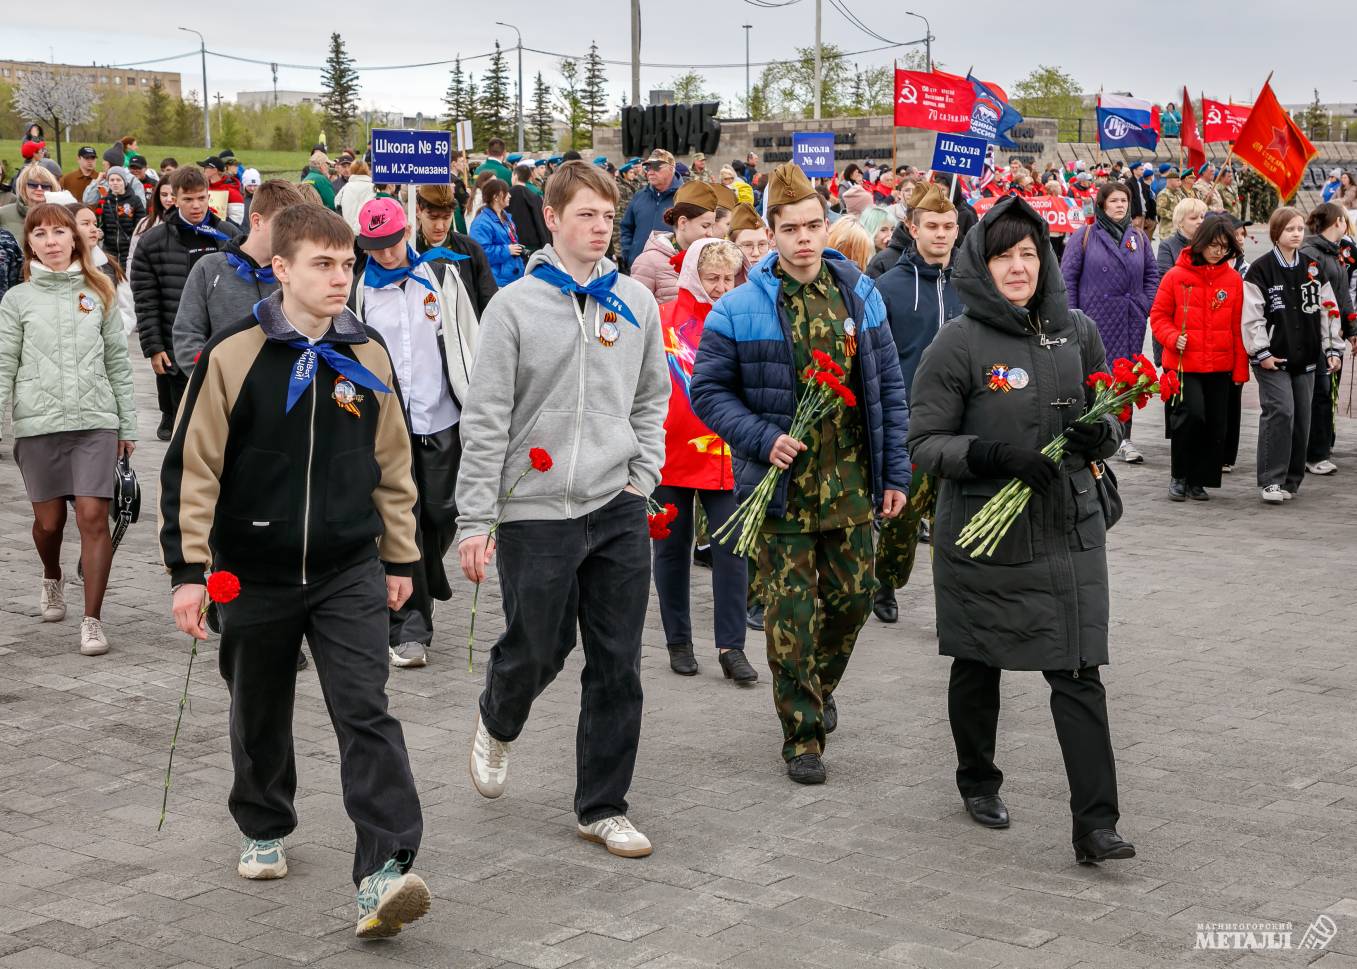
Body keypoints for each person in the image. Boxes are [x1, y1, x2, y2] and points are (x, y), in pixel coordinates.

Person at [160, 203, 430, 937]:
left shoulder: (367, 352)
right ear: (281, 268)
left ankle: (385, 868)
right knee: (258, 701)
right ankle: (264, 819)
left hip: (347, 565)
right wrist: (190, 568)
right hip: (252, 567)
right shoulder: (234, 351)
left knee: (365, 709)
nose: (340, 277)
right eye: (323, 263)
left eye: (348, 264)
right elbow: (194, 465)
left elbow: (394, 462)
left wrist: (399, 555)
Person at [907, 195, 1134, 864]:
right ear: (981, 261)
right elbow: (924, 441)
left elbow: (1108, 414)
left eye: (1027, 253)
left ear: (1045, 259)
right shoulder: (959, 341)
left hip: (1066, 530)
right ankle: (977, 777)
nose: (1015, 266)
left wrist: (1105, 432)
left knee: (1078, 668)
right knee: (978, 660)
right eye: (1002, 255)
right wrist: (989, 454)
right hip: (985, 534)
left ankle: (1095, 824)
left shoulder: (1078, 330)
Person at [457, 161, 667, 859]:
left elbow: (651, 395)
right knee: (539, 643)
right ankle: (498, 714)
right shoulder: (513, 306)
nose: (600, 227)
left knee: (618, 660)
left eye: (607, 215)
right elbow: (485, 419)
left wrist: (642, 473)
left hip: (616, 504)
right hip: (534, 509)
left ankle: (602, 804)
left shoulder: (635, 300)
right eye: (585, 214)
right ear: (550, 218)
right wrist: (475, 520)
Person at [691, 163, 910, 786]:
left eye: (814, 226)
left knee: (854, 598)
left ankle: (816, 686)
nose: (805, 240)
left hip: (851, 484)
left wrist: (895, 472)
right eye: (790, 229)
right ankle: (802, 736)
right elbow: (709, 391)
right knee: (789, 618)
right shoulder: (739, 307)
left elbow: (888, 389)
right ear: (771, 232)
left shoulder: (860, 294)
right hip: (779, 491)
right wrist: (763, 437)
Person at [349, 196, 484, 669]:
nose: (385, 254)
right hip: (386, 426)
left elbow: (469, 337)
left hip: (441, 416)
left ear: (407, 232)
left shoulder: (441, 277)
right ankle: (409, 624)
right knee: (399, 520)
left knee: (440, 515)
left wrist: (478, 399)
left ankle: (427, 577)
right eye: (374, 246)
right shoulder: (358, 289)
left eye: (391, 243)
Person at [0, 203, 137, 657]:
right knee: (48, 523)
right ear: (31, 244)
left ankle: (92, 619)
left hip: (94, 422)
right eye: (41, 234)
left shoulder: (99, 291)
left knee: (95, 517)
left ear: (75, 240)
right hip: (38, 425)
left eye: (60, 232)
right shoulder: (16, 300)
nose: (52, 241)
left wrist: (127, 424)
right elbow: (4, 364)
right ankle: (52, 575)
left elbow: (118, 361)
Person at [652, 237, 757, 684]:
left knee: (733, 550)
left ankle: (731, 646)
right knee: (671, 548)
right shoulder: (662, 318)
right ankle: (679, 640)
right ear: (693, 274)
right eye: (711, 277)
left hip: (726, 452)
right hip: (670, 450)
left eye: (727, 278)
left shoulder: (744, 319)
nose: (719, 286)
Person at [872, 183, 963, 624]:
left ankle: (952, 596)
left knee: (952, 519)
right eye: (932, 226)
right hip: (909, 423)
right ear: (913, 227)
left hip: (962, 422)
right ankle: (885, 580)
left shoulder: (973, 286)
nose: (941, 234)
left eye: (948, 226)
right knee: (902, 517)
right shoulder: (888, 286)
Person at [1243, 207, 1346, 504]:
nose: (1297, 234)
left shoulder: (1313, 267)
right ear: (1276, 232)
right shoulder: (1260, 269)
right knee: (1281, 412)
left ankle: (1291, 479)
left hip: (1308, 358)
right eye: (1290, 229)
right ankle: (1271, 480)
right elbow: (1252, 316)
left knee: (1302, 417)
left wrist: (1331, 349)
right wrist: (1261, 351)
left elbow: (1328, 310)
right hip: (1273, 358)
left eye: (1300, 228)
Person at [131, 165, 242, 441]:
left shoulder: (229, 236)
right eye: (188, 199)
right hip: (173, 343)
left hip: (220, 342)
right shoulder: (153, 242)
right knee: (180, 429)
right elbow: (146, 299)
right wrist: (154, 347)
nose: (196, 205)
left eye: (202, 198)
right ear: (173, 198)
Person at [1149, 213, 1248, 501]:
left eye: (1224, 246)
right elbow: (1158, 316)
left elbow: (1237, 328)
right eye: (1213, 245)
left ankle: (1199, 479)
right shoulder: (1176, 276)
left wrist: (1240, 370)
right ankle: (1179, 475)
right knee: (1190, 416)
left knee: (1215, 423)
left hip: (1220, 365)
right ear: (1201, 243)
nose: (1218, 251)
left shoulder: (1232, 279)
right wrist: (1171, 337)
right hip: (1184, 364)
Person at [1061, 181, 1159, 464]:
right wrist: (1073, 317)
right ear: (1102, 204)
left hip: (1130, 319)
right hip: (1094, 319)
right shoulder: (1085, 235)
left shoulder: (1138, 238)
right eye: (1114, 200)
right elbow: (1067, 279)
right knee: (1094, 376)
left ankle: (1123, 437)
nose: (1120, 205)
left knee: (1127, 377)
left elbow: (1152, 276)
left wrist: (1143, 304)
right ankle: (1091, 431)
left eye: (1124, 201)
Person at [173, 180, 305, 373]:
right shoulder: (209, 268)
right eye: (284, 225)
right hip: (223, 392)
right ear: (257, 220)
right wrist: (212, 380)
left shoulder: (296, 272)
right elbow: (187, 334)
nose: (291, 235)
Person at [1300, 203, 1357, 476]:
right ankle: (1313, 453)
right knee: (1319, 394)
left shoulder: (1336, 254)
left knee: (1326, 393)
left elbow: (1343, 295)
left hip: (1335, 335)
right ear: (1337, 222)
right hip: (1316, 335)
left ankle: (1323, 445)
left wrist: (1352, 328)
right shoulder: (1311, 253)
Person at [411, 185, 499, 315]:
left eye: (447, 217)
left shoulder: (471, 249)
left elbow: (489, 299)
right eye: (433, 217)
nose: (440, 226)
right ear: (418, 211)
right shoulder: (410, 251)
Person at [630, 181, 719, 304]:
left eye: (712, 226)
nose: (710, 233)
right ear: (683, 223)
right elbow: (635, 311)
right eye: (705, 226)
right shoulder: (649, 262)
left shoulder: (709, 259)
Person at [620, 149, 683, 268]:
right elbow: (626, 227)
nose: (650, 172)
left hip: (671, 271)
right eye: (648, 167)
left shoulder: (684, 197)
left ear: (671, 168)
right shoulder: (639, 195)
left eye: (657, 167)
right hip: (638, 268)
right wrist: (629, 255)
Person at [469, 179, 525, 287]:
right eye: (506, 193)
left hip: (513, 278)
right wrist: (507, 250)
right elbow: (480, 253)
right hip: (498, 282)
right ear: (496, 197)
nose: (509, 196)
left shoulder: (505, 217)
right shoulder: (481, 223)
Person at [96, 166, 145, 268]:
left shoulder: (135, 201)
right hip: (109, 250)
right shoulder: (104, 202)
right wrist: (100, 233)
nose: (115, 183)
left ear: (124, 182)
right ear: (108, 182)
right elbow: (101, 224)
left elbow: (140, 226)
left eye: (118, 180)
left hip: (129, 250)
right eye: (112, 180)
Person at [0, 163, 60, 237]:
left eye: (45, 186)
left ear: (52, 188)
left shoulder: (60, 215)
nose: (39, 189)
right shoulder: (3, 214)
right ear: (23, 187)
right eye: (33, 184)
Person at [1157, 197, 1207, 277]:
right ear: (1180, 222)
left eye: (1202, 217)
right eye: (1193, 218)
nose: (1200, 221)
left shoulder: (1208, 244)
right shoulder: (1167, 246)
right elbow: (1164, 277)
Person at [508, 164, 549, 255]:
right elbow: (539, 220)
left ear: (515, 176)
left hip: (513, 244)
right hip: (533, 243)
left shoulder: (507, 196)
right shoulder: (534, 195)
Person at [200, 156, 246, 224]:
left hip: (223, 232)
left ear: (215, 170)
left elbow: (236, 220)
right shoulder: (204, 188)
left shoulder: (232, 192)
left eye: (206, 167)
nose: (203, 170)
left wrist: (219, 226)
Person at [335, 160, 376, 233]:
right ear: (367, 170)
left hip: (348, 231)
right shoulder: (373, 188)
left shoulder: (346, 188)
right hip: (367, 232)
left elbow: (337, 204)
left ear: (352, 171)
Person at [1155, 169, 1186, 240]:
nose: (1180, 182)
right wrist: (1176, 216)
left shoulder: (1179, 193)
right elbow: (1160, 211)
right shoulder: (1164, 194)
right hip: (1167, 230)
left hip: (1178, 229)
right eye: (1177, 180)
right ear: (1170, 181)